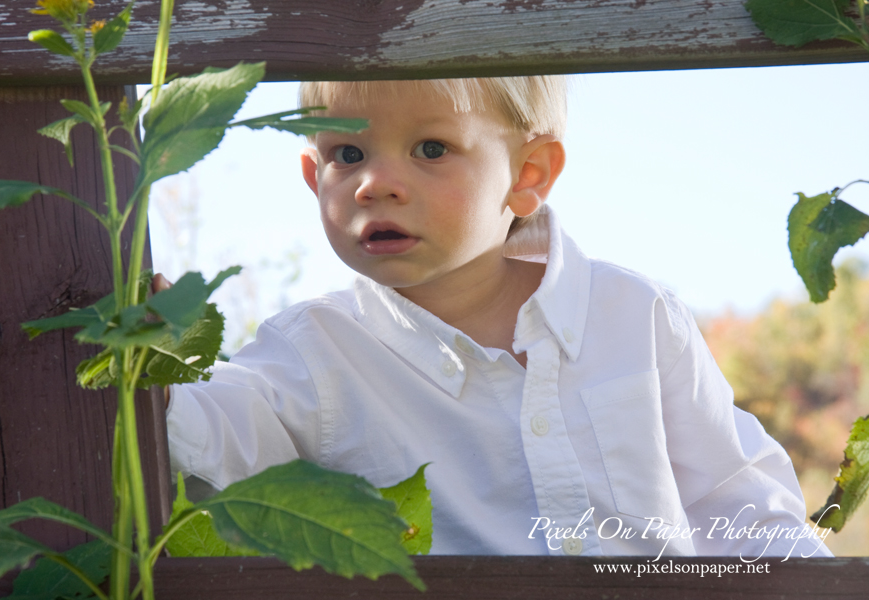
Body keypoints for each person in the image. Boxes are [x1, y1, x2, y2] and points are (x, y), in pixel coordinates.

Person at [165, 76, 831, 558]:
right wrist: (156, 350)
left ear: (528, 174)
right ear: (314, 178)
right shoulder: (313, 353)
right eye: (348, 154)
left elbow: (738, 501)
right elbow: (212, 434)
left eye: (430, 149)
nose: (375, 184)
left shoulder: (635, 317)